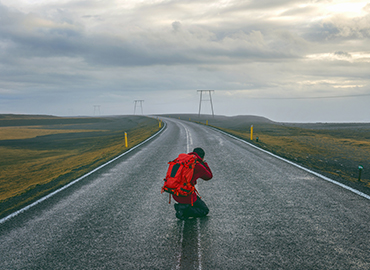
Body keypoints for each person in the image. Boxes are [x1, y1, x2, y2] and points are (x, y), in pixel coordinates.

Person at [173, 147, 213, 220]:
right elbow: (209, 176)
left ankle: (183, 206)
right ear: (202, 157)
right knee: (204, 210)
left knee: (194, 202)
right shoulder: (197, 165)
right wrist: (204, 162)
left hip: (175, 193)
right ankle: (183, 210)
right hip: (187, 195)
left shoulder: (181, 161)